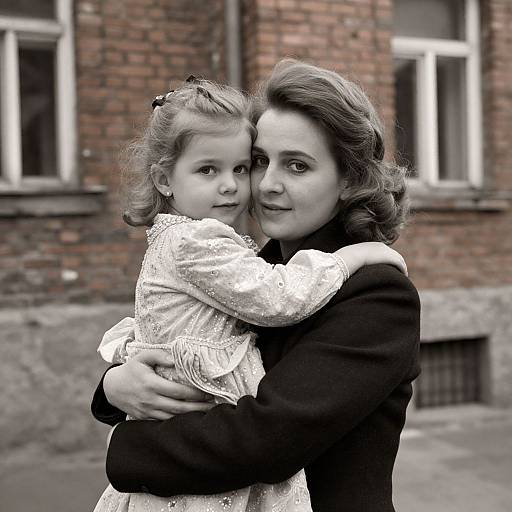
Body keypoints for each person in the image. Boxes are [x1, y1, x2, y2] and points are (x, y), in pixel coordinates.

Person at [91, 60, 421, 512]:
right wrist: (114, 387)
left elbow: (264, 439)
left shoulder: (378, 294)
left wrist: (122, 447)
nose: (266, 184)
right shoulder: (249, 267)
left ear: (348, 180)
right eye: (260, 161)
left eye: (298, 167)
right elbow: (176, 342)